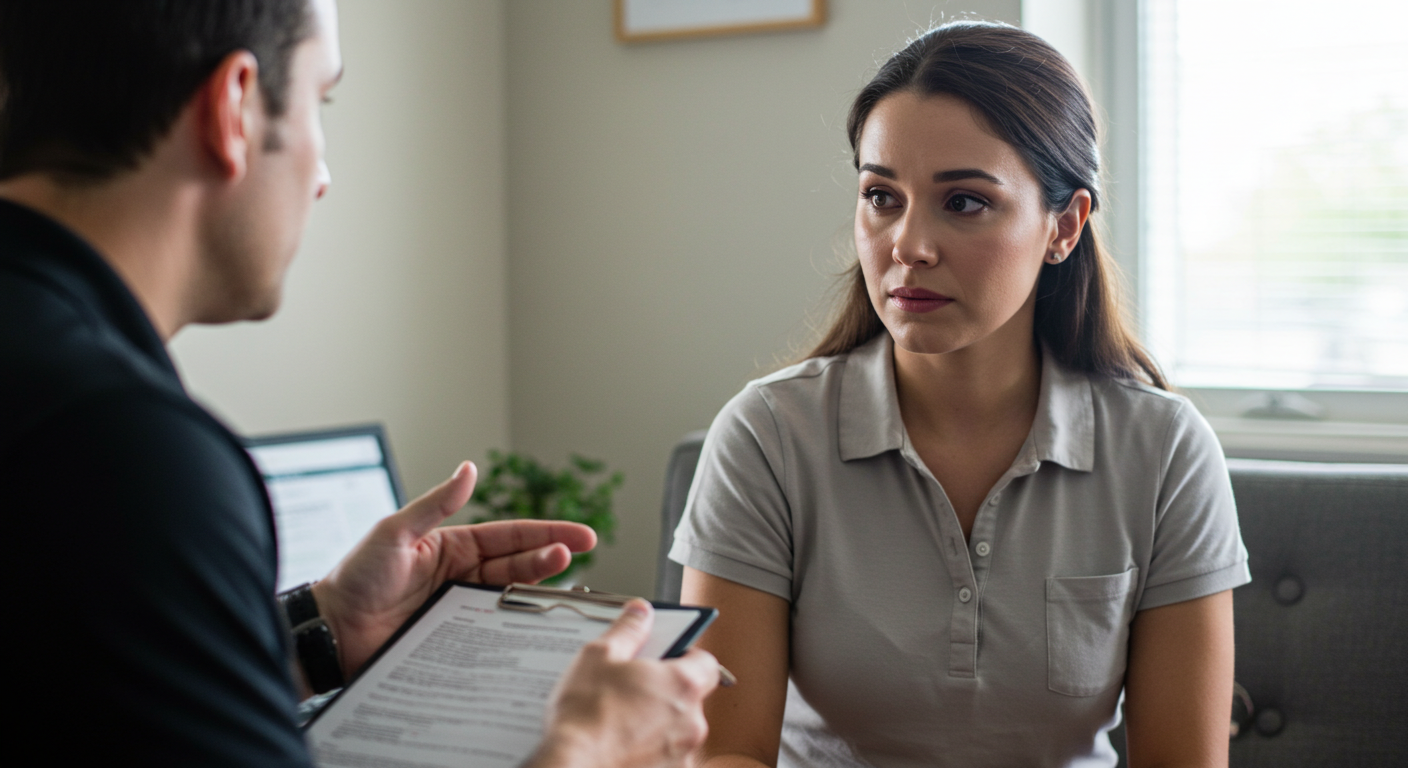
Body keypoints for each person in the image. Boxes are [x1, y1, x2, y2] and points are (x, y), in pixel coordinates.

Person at [0, 1, 716, 766]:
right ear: (233, 107)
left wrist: (325, 626)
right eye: (322, 100)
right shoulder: (127, 451)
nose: (324, 176)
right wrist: (589, 750)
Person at [670, 21, 1249, 768]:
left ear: (1064, 226)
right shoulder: (767, 437)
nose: (909, 244)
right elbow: (725, 753)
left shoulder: (1164, 450)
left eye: (965, 203)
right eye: (882, 196)